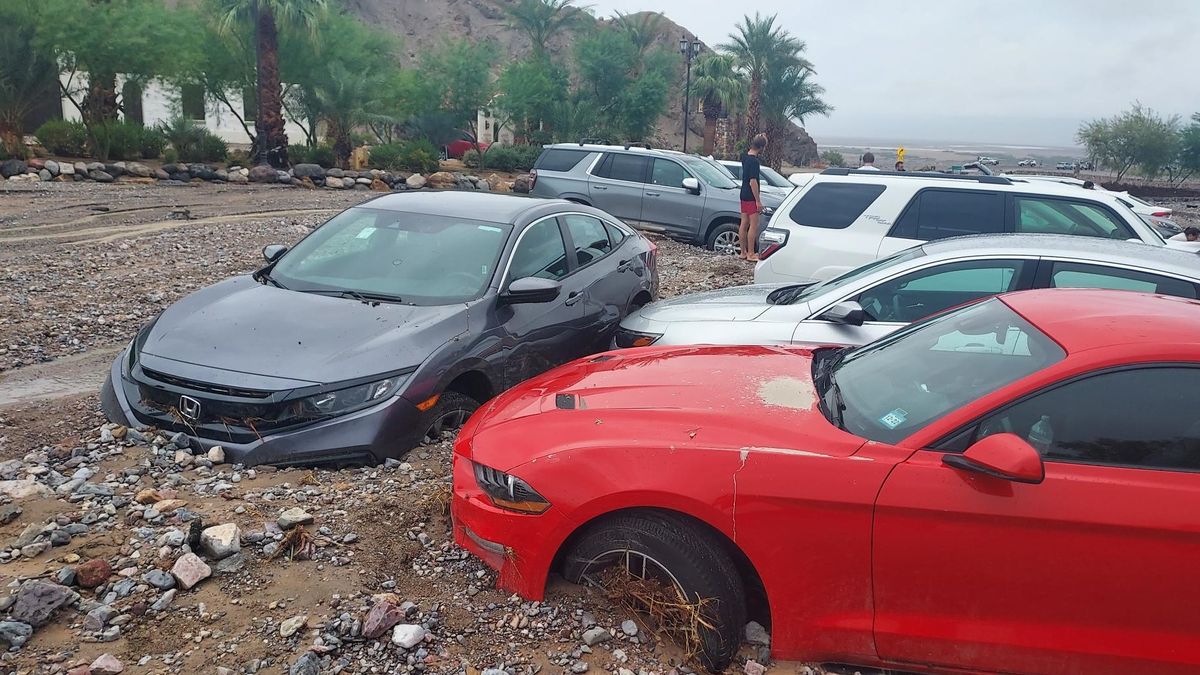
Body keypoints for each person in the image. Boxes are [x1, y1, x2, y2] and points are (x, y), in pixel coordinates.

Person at [738, 134, 767, 261]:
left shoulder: (745, 158)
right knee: (754, 224)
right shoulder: (754, 162)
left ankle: (742, 252)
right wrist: (758, 201)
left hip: (743, 193)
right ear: (761, 147)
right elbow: (753, 181)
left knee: (744, 222)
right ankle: (751, 253)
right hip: (750, 195)